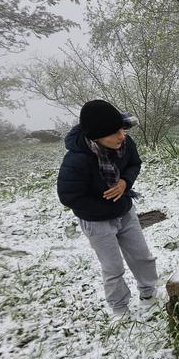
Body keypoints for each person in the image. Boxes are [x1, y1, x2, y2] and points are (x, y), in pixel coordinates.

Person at [57, 99, 157, 316]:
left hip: (125, 211)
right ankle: (120, 309)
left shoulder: (125, 144)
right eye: (114, 133)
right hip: (96, 221)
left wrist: (124, 183)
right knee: (113, 268)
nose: (122, 136)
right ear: (96, 136)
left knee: (142, 256)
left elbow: (134, 164)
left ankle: (149, 293)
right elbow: (68, 196)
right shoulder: (77, 159)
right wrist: (103, 207)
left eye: (121, 129)